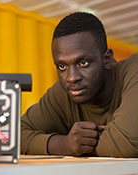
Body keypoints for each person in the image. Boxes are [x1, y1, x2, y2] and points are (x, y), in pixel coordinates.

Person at [21, 12, 138, 157]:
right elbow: (12, 136)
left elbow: (127, 143)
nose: (71, 78)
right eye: (62, 66)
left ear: (107, 59)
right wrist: (63, 145)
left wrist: (78, 147)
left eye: (83, 63)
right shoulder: (65, 91)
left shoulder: (133, 70)